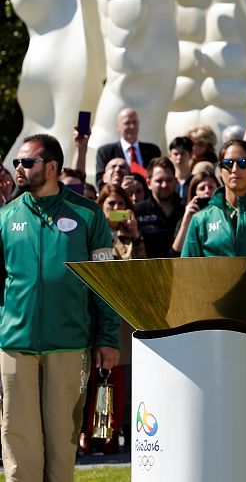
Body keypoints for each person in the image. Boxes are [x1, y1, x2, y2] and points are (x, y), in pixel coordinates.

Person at [0, 134, 119, 481]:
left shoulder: (87, 214)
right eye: (17, 163)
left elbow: (105, 283)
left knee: (61, 443)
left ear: (52, 167)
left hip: (70, 343)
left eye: (27, 162)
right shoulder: (5, 217)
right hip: (15, 344)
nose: (19, 168)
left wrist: (108, 337)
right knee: (18, 441)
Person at [80, 184, 145, 455]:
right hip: (90, 316)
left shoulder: (127, 239)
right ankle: (85, 432)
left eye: (120, 204)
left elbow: (141, 273)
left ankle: (109, 431)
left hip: (120, 318)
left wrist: (135, 236)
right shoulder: (88, 232)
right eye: (110, 205)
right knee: (89, 379)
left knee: (114, 380)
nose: (116, 209)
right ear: (99, 206)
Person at [95, 108, 161, 187]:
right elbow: (100, 182)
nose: (132, 126)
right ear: (118, 126)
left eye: (134, 122)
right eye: (127, 123)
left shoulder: (153, 150)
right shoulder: (106, 152)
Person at [134, 157, 185, 259]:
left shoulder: (186, 211)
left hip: (181, 270)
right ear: (148, 183)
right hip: (148, 271)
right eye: (159, 181)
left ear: (175, 181)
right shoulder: (137, 211)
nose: (164, 185)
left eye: (169, 180)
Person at [168, 136, 195, 203]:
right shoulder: (167, 182)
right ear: (170, 156)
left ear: (191, 155)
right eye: (176, 154)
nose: (179, 157)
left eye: (183, 153)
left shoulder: (196, 181)